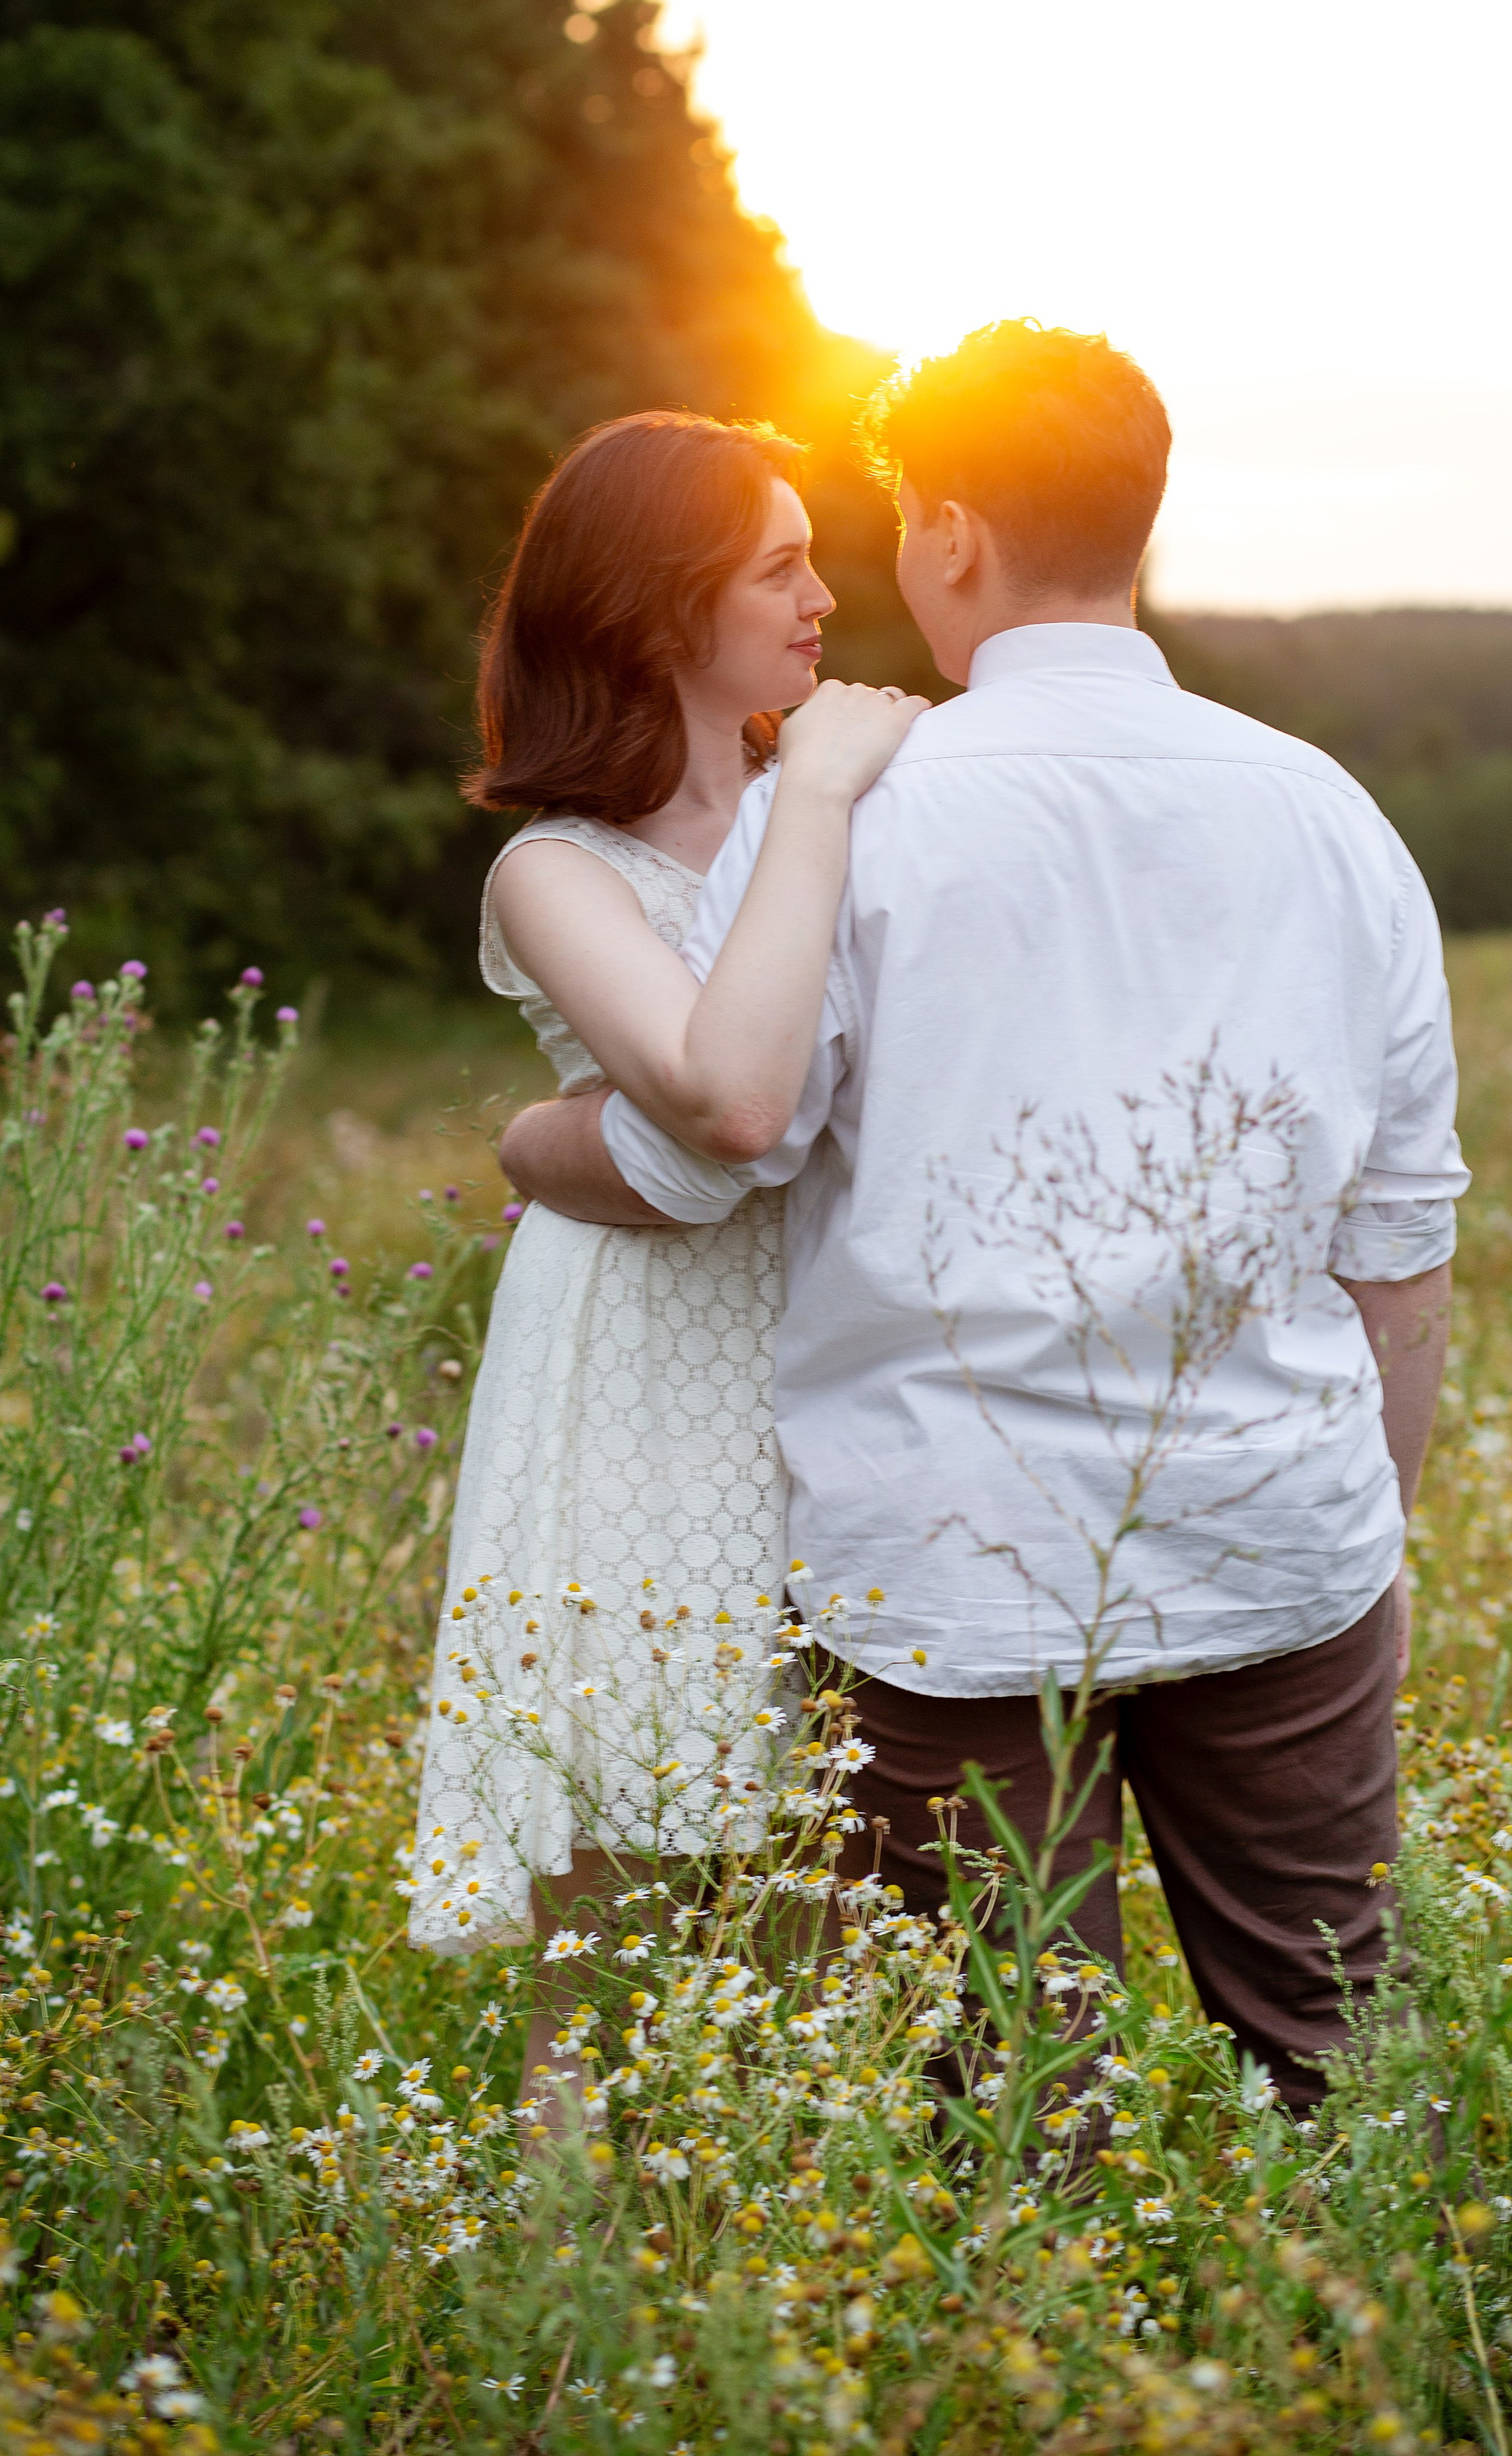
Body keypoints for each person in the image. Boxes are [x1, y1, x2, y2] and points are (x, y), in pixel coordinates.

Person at [499, 324, 1469, 2109]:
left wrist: (529, 1140)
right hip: (1283, 1540)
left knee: (1017, 2094)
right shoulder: (1333, 817)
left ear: (944, 535)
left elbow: (712, 1139)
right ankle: (1413, 2369)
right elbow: (1398, 1249)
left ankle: (1040, 2384)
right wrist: (1348, 1533)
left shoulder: (854, 822)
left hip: (948, 1566)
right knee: (1345, 2056)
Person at [405, 410, 924, 1981]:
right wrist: (821, 795)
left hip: (828, 1363)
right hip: (635, 1380)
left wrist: (542, 1141)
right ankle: (570, 2237)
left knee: (822, 1918)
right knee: (614, 1938)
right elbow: (722, 1113)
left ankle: (787, 2235)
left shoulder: (857, 801)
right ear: (657, 607)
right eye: (777, 567)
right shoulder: (555, 871)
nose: (821, 598)